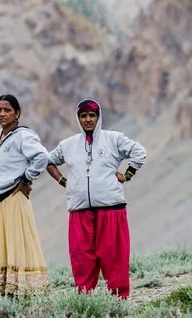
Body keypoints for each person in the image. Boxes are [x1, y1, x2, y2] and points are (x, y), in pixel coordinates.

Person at [46, 98, 146, 299]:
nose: (88, 119)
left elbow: (139, 153)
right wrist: (62, 180)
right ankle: (85, 299)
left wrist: (127, 175)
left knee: (114, 256)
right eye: (83, 116)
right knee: (82, 258)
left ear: (99, 117)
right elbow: (47, 161)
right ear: (78, 118)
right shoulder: (68, 145)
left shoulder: (114, 139)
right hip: (79, 210)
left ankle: (118, 299)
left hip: (111, 208)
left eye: (92, 115)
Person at [0, 94, 51, 297]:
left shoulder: (24, 135)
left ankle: (22, 291)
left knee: (16, 243)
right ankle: (2, 290)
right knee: (2, 245)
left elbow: (42, 157)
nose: (2, 114)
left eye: (7, 110)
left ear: (17, 113)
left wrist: (26, 178)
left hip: (12, 198)